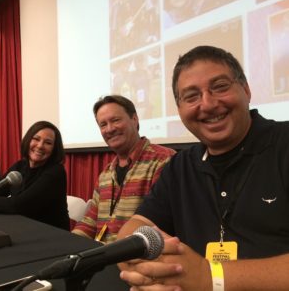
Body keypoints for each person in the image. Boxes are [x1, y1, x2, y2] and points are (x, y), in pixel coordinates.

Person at [117, 45, 289, 290]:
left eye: (219, 87)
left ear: (246, 90)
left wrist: (211, 276)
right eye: (191, 96)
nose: (207, 104)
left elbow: (204, 276)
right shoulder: (180, 165)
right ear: (179, 109)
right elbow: (133, 229)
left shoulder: (284, 144)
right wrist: (147, 270)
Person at [72, 95, 175, 243]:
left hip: (138, 261)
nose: (109, 129)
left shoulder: (164, 160)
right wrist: (66, 248)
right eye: (103, 124)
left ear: (135, 119)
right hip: (102, 258)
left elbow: (161, 225)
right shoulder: (106, 174)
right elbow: (89, 222)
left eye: (115, 120)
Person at [0, 121, 70, 230]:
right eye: (36, 139)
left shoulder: (56, 172)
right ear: (28, 140)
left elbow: (19, 206)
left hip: (51, 235)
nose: (40, 146)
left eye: (48, 143)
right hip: (24, 228)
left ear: (54, 149)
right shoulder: (20, 166)